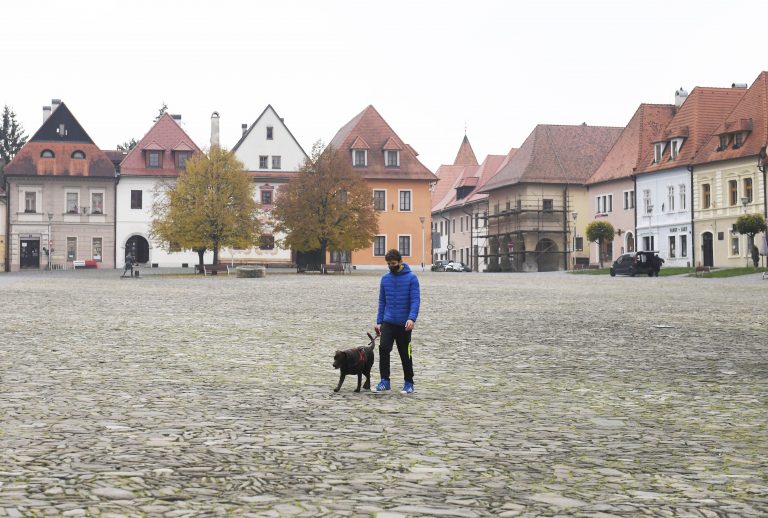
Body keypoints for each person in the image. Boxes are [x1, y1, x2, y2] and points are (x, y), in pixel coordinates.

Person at [374, 249, 420, 394]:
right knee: (383, 349)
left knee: (405, 353)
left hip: (404, 323)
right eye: (388, 264)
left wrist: (411, 318)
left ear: (400, 261)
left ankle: (408, 382)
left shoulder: (412, 278)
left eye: (393, 263)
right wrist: (379, 321)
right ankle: (384, 381)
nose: (390, 266)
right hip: (388, 321)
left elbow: (415, 300)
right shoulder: (385, 279)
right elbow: (382, 301)